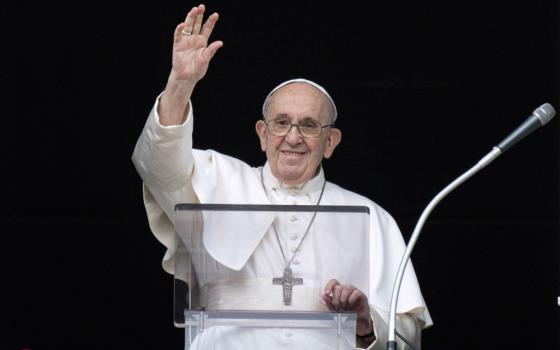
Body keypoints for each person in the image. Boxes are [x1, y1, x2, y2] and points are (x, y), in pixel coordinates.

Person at [132, 4, 432, 350]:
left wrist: (366, 324)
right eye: (281, 123)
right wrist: (179, 85)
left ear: (330, 142)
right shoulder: (217, 179)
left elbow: (407, 338)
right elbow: (158, 166)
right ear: (262, 134)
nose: (293, 137)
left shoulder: (371, 218)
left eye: (309, 125)